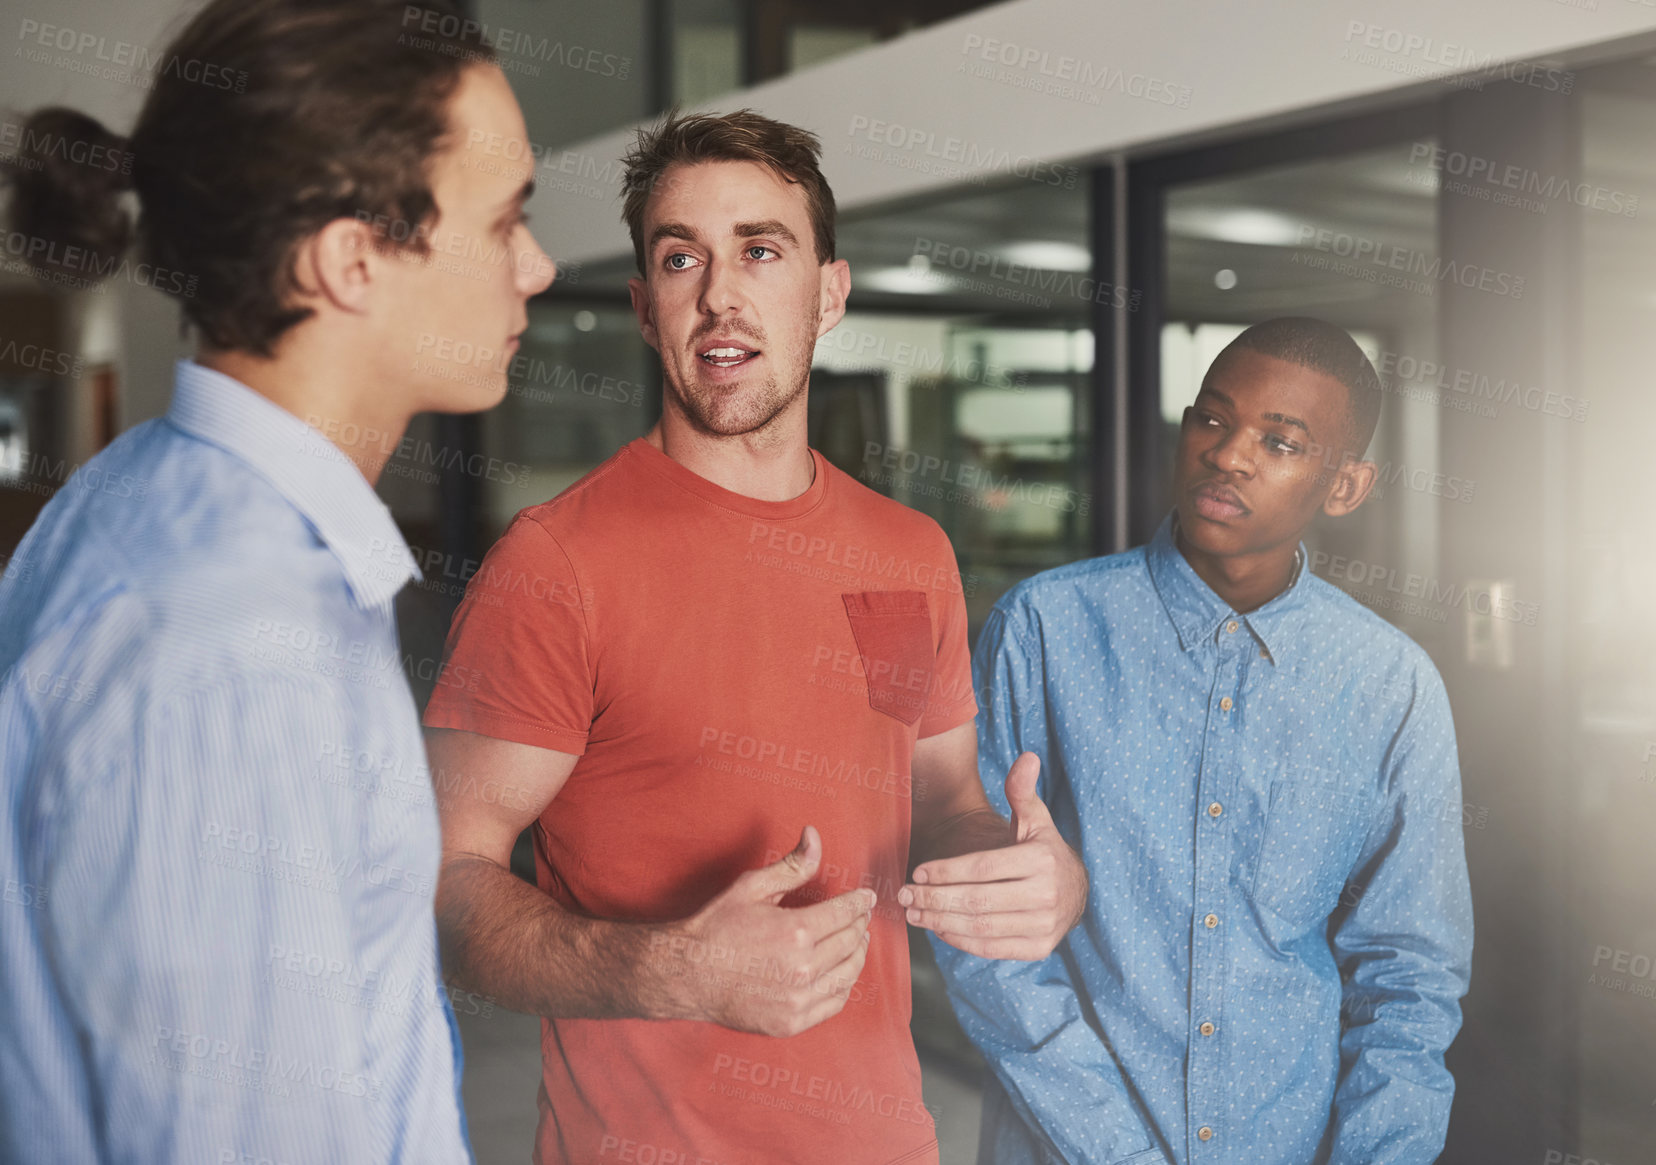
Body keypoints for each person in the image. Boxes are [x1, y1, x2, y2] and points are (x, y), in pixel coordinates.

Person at [422, 108, 1088, 1165]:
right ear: (645, 308)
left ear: (829, 291)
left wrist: (1033, 876)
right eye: (680, 256)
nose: (720, 292)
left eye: (760, 250)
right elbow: (443, 881)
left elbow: (944, 802)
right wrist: (666, 970)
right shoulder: (558, 565)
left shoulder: (910, 553)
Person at [0, 2, 555, 1161]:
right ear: (351, 259)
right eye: (506, 222)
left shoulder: (134, 502)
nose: (538, 268)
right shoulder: (233, 648)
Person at [934, 318, 1474, 1165]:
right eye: (1212, 420)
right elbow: (984, 935)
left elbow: (1407, 979)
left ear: (1346, 485)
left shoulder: (1390, 687)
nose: (1229, 455)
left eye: (1281, 440)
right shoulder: (1045, 628)